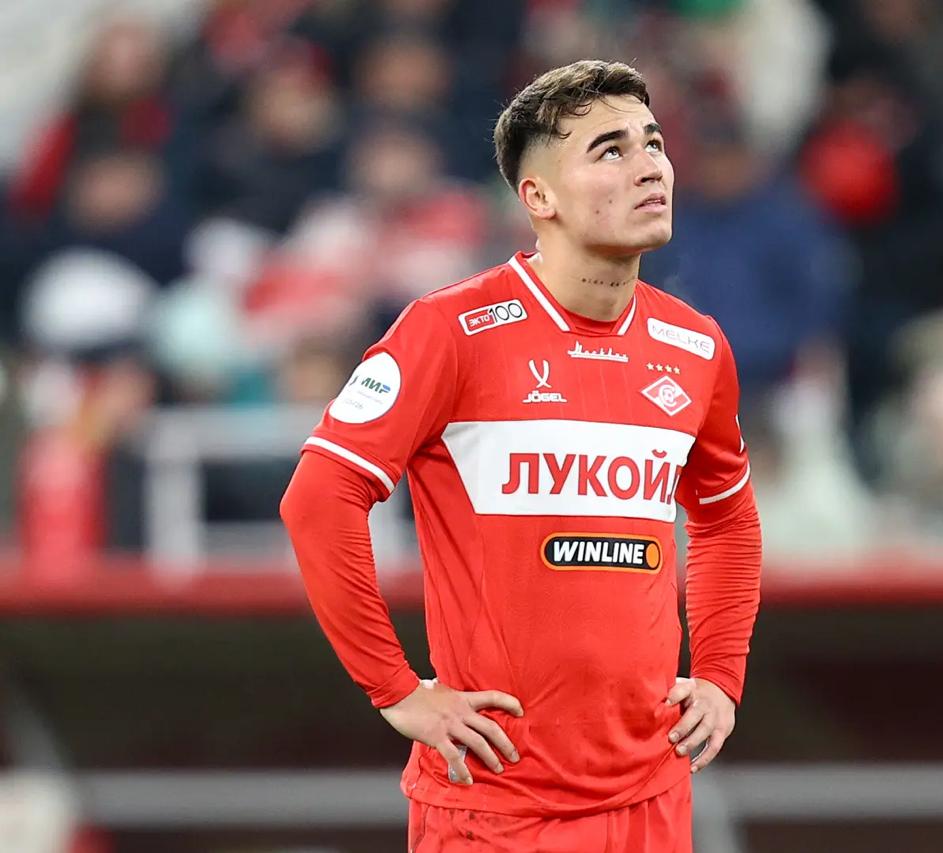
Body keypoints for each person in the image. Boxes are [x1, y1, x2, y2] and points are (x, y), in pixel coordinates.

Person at [279, 60, 762, 852]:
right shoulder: (449, 331)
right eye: (610, 150)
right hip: (495, 810)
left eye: (653, 143)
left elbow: (726, 517)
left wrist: (719, 673)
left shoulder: (696, 345)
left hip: (652, 800)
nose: (649, 166)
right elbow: (317, 498)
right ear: (539, 197)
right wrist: (395, 689)